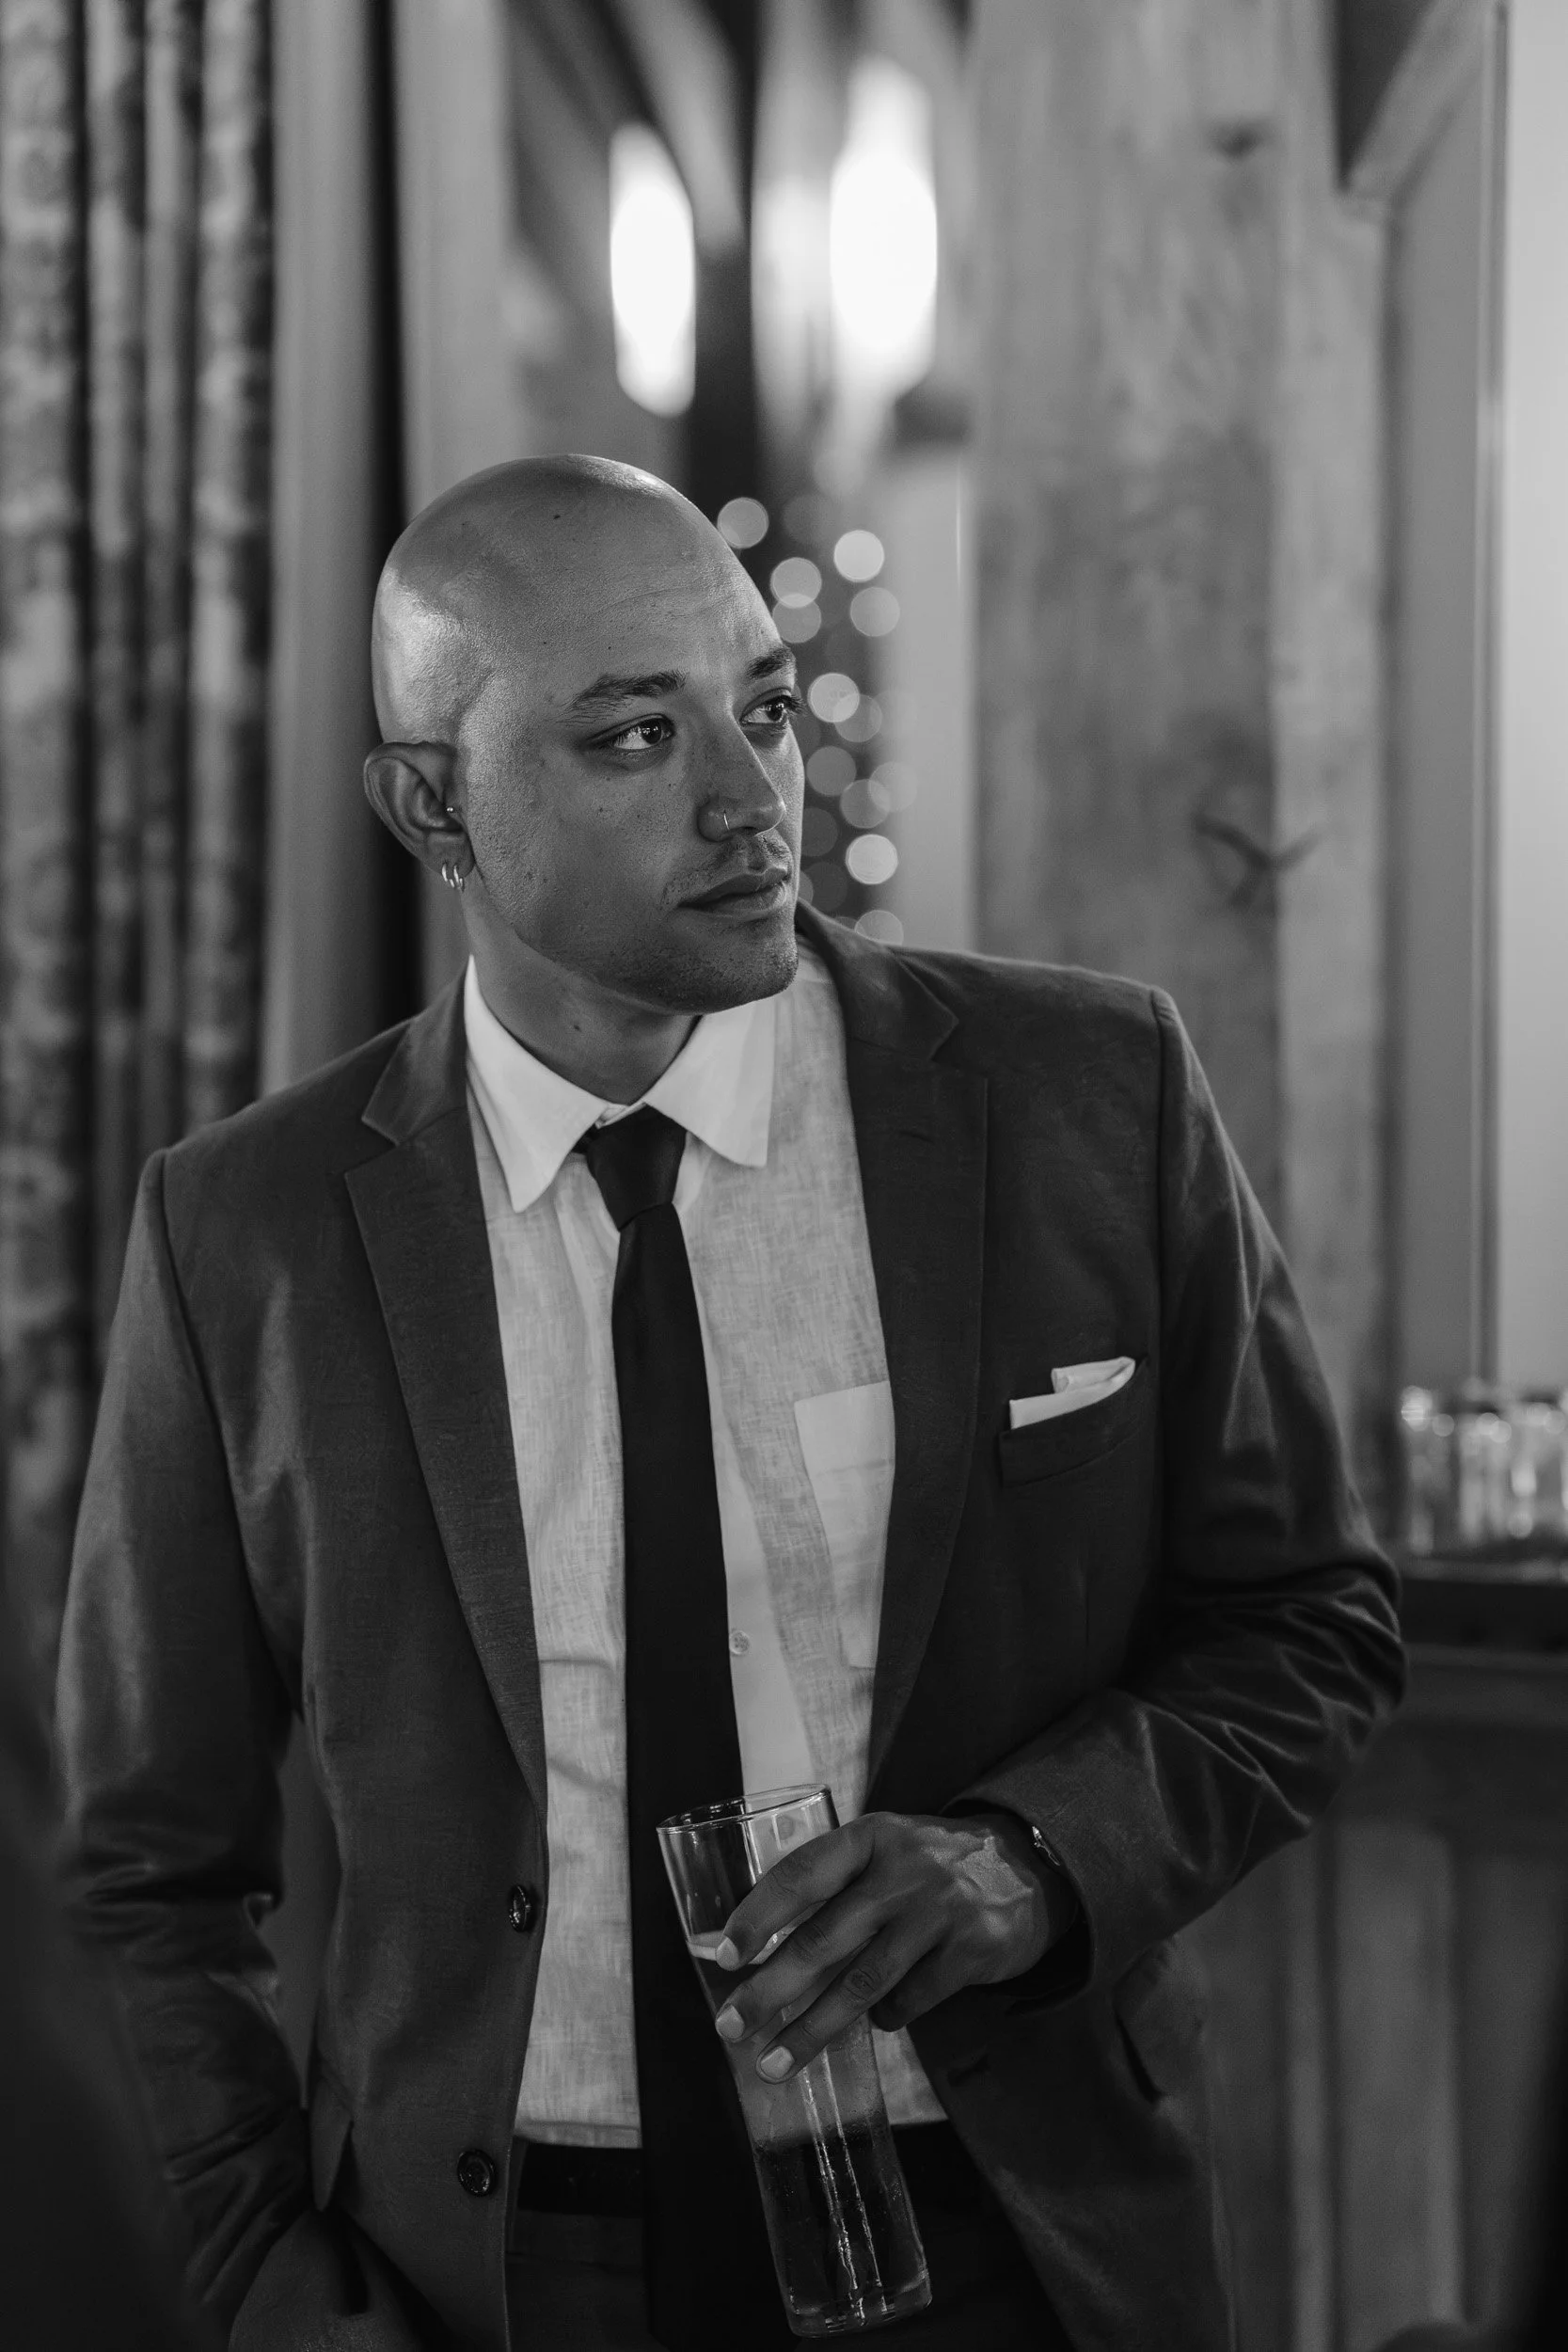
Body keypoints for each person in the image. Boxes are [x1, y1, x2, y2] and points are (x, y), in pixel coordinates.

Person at [56, 454, 1404, 2352]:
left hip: (1008, 2246)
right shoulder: (242, 1233)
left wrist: (1027, 1856)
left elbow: (1309, 1622)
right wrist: (270, 2285)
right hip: (502, 2275)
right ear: (426, 804)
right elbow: (143, 1862)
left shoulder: (1090, 1095)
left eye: (763, 706)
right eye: (630, 737)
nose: (746, 793)